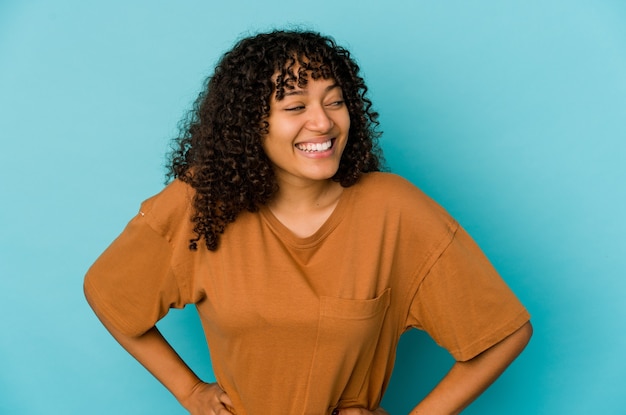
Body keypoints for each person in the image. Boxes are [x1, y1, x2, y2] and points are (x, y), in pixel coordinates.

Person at [84, 30, 532, 415]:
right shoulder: (201, 205)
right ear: (249, 123)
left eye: (335, 101)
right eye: (295, 107)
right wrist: (190, 390)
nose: (323, 122)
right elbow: (109, 294)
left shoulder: (394, 210)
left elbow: (502, 332)